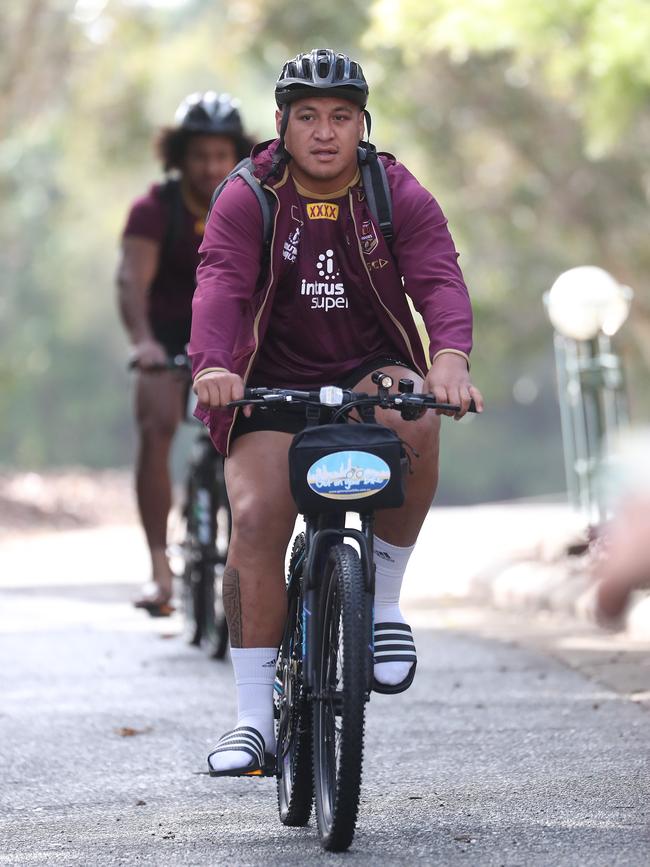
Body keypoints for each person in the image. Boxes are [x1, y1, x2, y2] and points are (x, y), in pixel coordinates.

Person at [189, 49, 484, 776]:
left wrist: (449, 359)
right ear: (283, 125)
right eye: (309, 117)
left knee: (416, 415)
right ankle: (253, 719)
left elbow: (439, 277)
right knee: (257, 519)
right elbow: (222, 282)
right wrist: (214, 366)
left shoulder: (393, 190)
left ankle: (383, 605)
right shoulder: (248, 194)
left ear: (362, 124)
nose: (326, 132)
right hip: (268, 382)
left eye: (341, 117)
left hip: (367, 375)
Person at [117, 92, 254, 616]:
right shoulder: (154, 210)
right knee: (155, 419)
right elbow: (131, 280)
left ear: (237, 154)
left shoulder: (255, 201)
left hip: (235, 336)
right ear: (179, 156)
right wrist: (144, 343)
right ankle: (160, 570)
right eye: (200, 155)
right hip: (170, 338)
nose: (211, 167)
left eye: (222, 155)